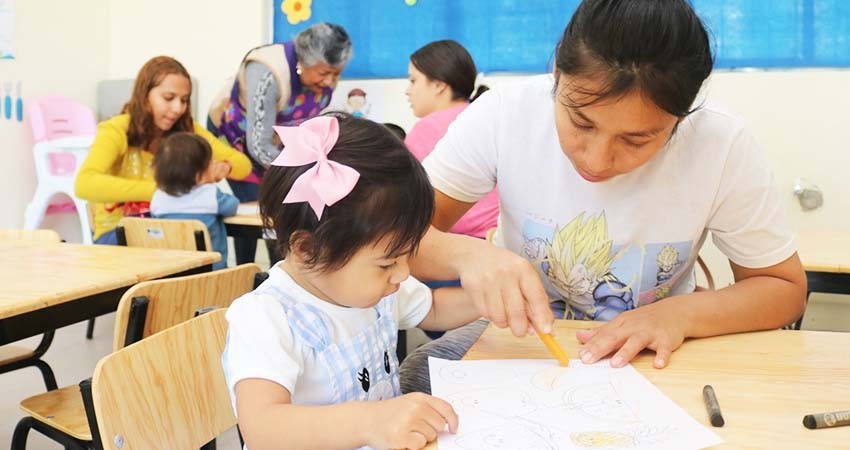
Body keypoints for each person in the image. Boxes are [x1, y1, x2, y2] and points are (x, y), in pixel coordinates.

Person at [400, 0, 807, 395]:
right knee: (420, 376)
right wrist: (466, 255)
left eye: (637, 140)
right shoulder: (504, 115)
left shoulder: (720, 143)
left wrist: (678, 315)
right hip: (527, 343)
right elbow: (393, 236)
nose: (596, 160)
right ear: (557, 72)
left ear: (682, 117)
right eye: (581, 122)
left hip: (654, 351)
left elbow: (782, 287)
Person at [222, 114, 482, 450]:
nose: (403, 273)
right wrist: (371, 421)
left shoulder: (374, 288)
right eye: (388, 262)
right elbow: (262, 428)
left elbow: (433, 308)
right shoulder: (266, 317)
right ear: (307, 249)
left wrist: (490, 298)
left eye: (407, 255)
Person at [208, 22, 353, 264]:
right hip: (237, 139)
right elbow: (258, 145)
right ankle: (248, 272)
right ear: (304, 62)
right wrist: (299, 171)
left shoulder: (321, 77)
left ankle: (278, 270)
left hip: (277, 142)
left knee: (282, 205)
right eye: (324, 73)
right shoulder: (267, 72)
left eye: (336, 74)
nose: (329, 82)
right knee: (258, 204)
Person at [75, 56, 251, 245]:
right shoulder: (116, 129)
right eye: (168, 98)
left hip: (168, 230)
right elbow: (85, 184)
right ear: (144, 95)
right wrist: (167, 191)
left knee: (203, 237)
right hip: (119, 233)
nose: (177, 109)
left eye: (184, 100)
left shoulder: (187, 130)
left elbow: (243, 165)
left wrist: (225, 167)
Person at [404, 39, 498, 239]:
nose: (408, 91)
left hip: (464, 242)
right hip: (503, 236)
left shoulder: (426, 129)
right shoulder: (484, 116)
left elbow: (404, 201)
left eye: (413, 81)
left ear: (438, 85)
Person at [150, 132, 239, 270]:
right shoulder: (209, 194)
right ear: (199, 176)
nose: (215, 165)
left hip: (171, 272)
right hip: (212, 274)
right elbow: (232, 205)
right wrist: (212, 182)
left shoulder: (158, 197)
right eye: (211, 163)